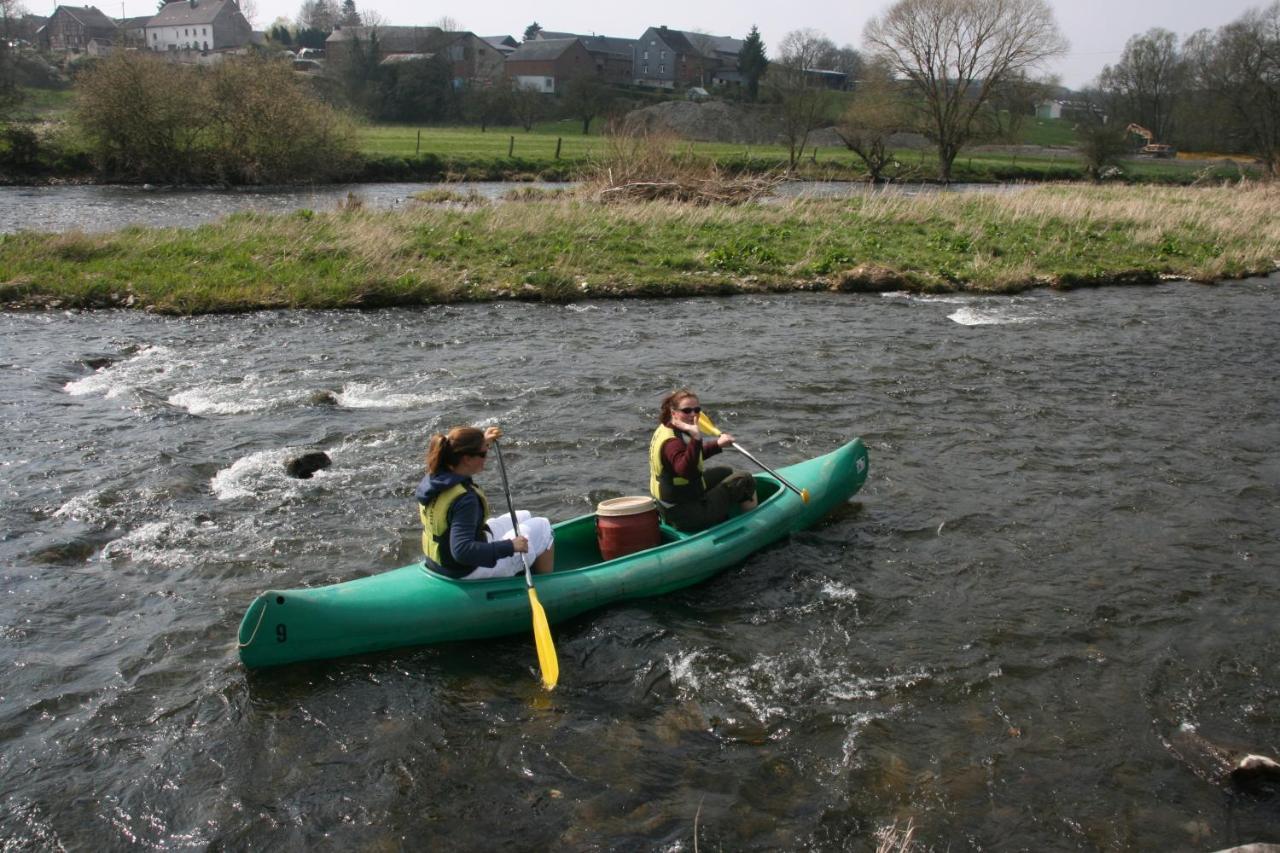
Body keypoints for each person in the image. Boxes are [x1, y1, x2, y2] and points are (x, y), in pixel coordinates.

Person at [416, 425, 554, 580]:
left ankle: (523, 566)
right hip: (467, 569)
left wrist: (483, 442)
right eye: (483, 454)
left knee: (524, 516)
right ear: (467, 459)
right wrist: (510, 546)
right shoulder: (465, 500)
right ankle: (546, 585)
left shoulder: (435, 475)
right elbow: (462, 550)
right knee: (543, 526)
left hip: (439, 560)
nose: (486, 457)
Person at [649, 389, 758, 533]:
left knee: (726, 472)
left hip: (674, 503)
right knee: (745, 479)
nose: (693, 414)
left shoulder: (667, 428)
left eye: (697, 410)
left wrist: (717, 444)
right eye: (686, 411)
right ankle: (752, 527)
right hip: (686, 515)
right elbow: (686, 471)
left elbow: (690, 457)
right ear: (673, 412)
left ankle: (722, 512)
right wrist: (696, 437)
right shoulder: (672, 443)